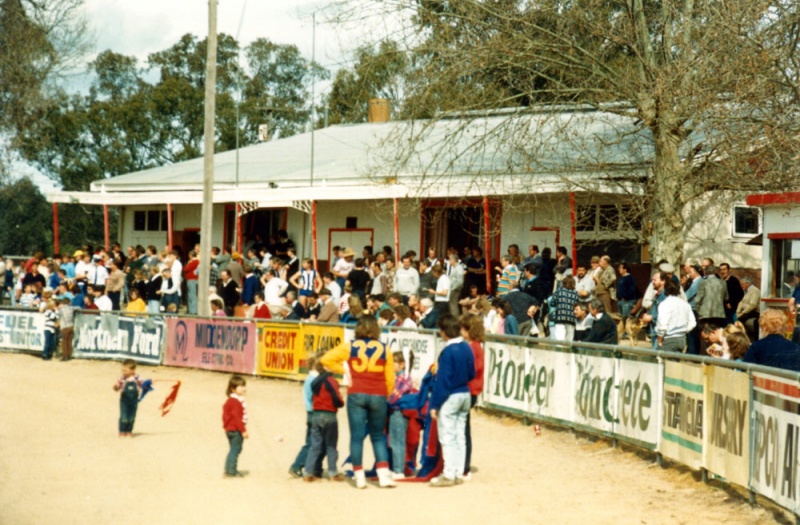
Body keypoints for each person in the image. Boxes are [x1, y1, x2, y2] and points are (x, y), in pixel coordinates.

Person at [320, 316, 396, 489]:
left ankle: (359, 476)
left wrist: (346, 371)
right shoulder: (385, 349)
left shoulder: (350, 346)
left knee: (356, 437)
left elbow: (326, 360)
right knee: (378, 436)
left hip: (357, 392)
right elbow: (390, 378)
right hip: (378, 393)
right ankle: (383, 476)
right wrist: (386, 394)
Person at [429, 314, 475, 487]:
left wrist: (435, 404)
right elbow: (472, 373)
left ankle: (449, 473)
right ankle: (457, 472)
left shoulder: (448, 351)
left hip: (451, 395)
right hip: (465, 393)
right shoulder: (466, 347)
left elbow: (443, 381)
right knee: (460, 435)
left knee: (447, 435)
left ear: (445, 332)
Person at [304, 359, 345, 482]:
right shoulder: (331, 381)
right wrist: (341, 402)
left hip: (316, 414)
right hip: (329, 415)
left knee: (315, 446)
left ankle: (308, 472)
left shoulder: (315, 381)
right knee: (331, 445)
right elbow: (337, 399)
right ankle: (333, 473)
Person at [289, 354, 323, 479]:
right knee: (312, 443)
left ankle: (315, 467)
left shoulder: (310, 377)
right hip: (314, 412)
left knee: (314, 441)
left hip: (310, 412)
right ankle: (297, 465)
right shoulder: (314, 380)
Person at [461, 314, 484, 479]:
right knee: (462, 429)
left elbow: (472, 371)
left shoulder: (474, 348)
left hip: (469, 390)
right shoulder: (472, 346)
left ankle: (464, 467)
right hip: (469, 390)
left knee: (463, 430)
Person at [387, 350, 414, 479]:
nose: (392, 364)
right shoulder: (398, 377)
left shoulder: (403, 378)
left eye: (394, 362)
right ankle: (396, 468)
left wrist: (384, 401)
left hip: (398, 412)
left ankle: (398, 470)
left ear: (403, 364)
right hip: (395, 412)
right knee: (394, 440)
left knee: (397, 441)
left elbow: (393, 397)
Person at [655, 279, 696, 352]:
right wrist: (684, 330)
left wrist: (659, 340)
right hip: (682, 339)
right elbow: (693, 322)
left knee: (663, 362)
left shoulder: (665, 304)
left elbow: (662, 325)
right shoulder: (686, 304)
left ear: (665, 289)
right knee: (675, 362)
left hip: (669, 339)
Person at [222, 375, 249, 477]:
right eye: (240, 386)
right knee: (235, 450)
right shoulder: (235, 402)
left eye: (244, 386)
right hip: (235, 429)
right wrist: (243, 430)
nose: (244, 388)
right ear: (233, 389)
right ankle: (231, 471)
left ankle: (230, 469)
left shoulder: (232, 400)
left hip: (230, 429)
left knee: (233, 449)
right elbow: (237, 418)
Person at [113, 359, 144, 437]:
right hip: (124, 400)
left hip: (134, 401)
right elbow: (116, 389)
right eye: (122, 370)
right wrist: (115, 387)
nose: (123, 372)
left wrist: (150, 382)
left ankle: (129, 430)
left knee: (131, 417)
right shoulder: (122, 379)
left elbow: (144, 385)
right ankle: (122, 430)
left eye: (126, 371)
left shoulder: (138, 378)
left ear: (133, 370)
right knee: (123, 416)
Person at [550, 275, 579, 341]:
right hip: (571, 318)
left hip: (560, 317)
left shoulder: (559, 291)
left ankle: (560, 350)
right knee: (569, 338)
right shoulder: (575, 293)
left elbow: (552, 303)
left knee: (560, 338)